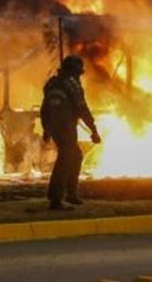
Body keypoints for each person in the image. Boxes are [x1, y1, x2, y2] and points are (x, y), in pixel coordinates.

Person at [41, 55, 101, 210]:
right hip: (66, 127)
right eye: (78, 73)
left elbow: (45, 109)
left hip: (54, 127)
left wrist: (46, 129)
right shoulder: (73, 85)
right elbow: (82, 109)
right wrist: (93, 129)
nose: (79, 76)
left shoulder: (51, 84)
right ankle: (56, 199)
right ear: (75, 71)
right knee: (66, 158)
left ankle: (71, 193)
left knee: (75, 155)